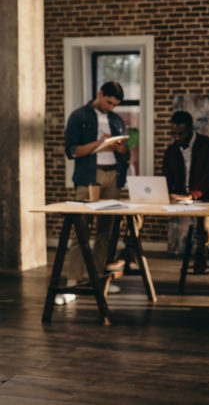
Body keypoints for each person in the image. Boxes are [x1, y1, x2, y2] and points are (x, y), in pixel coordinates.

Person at [62, 81, 130, 304]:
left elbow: (126, 155)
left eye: (115, 104)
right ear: (100, 94)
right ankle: (73, 283)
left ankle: (100, 279)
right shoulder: (79, 117)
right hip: (89, 179)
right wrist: (98, 143)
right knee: (80, 230)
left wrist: (121, 149)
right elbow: (72, 151)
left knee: (106, 232)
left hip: (113, 177)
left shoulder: (116, 120)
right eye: (109, 102)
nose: (112, 107)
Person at [163, 111, 209, 257]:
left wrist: (191, 196)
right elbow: (166, 177)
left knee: (205, 229)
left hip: (205, 197)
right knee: (137, 215)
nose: (177, 137)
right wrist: (165, 194)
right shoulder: (171, 151)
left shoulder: (208, 145)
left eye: (181, 133)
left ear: (190, 129)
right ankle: (129, 252)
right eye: (173, 133)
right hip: (179, 198)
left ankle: (202, 256)